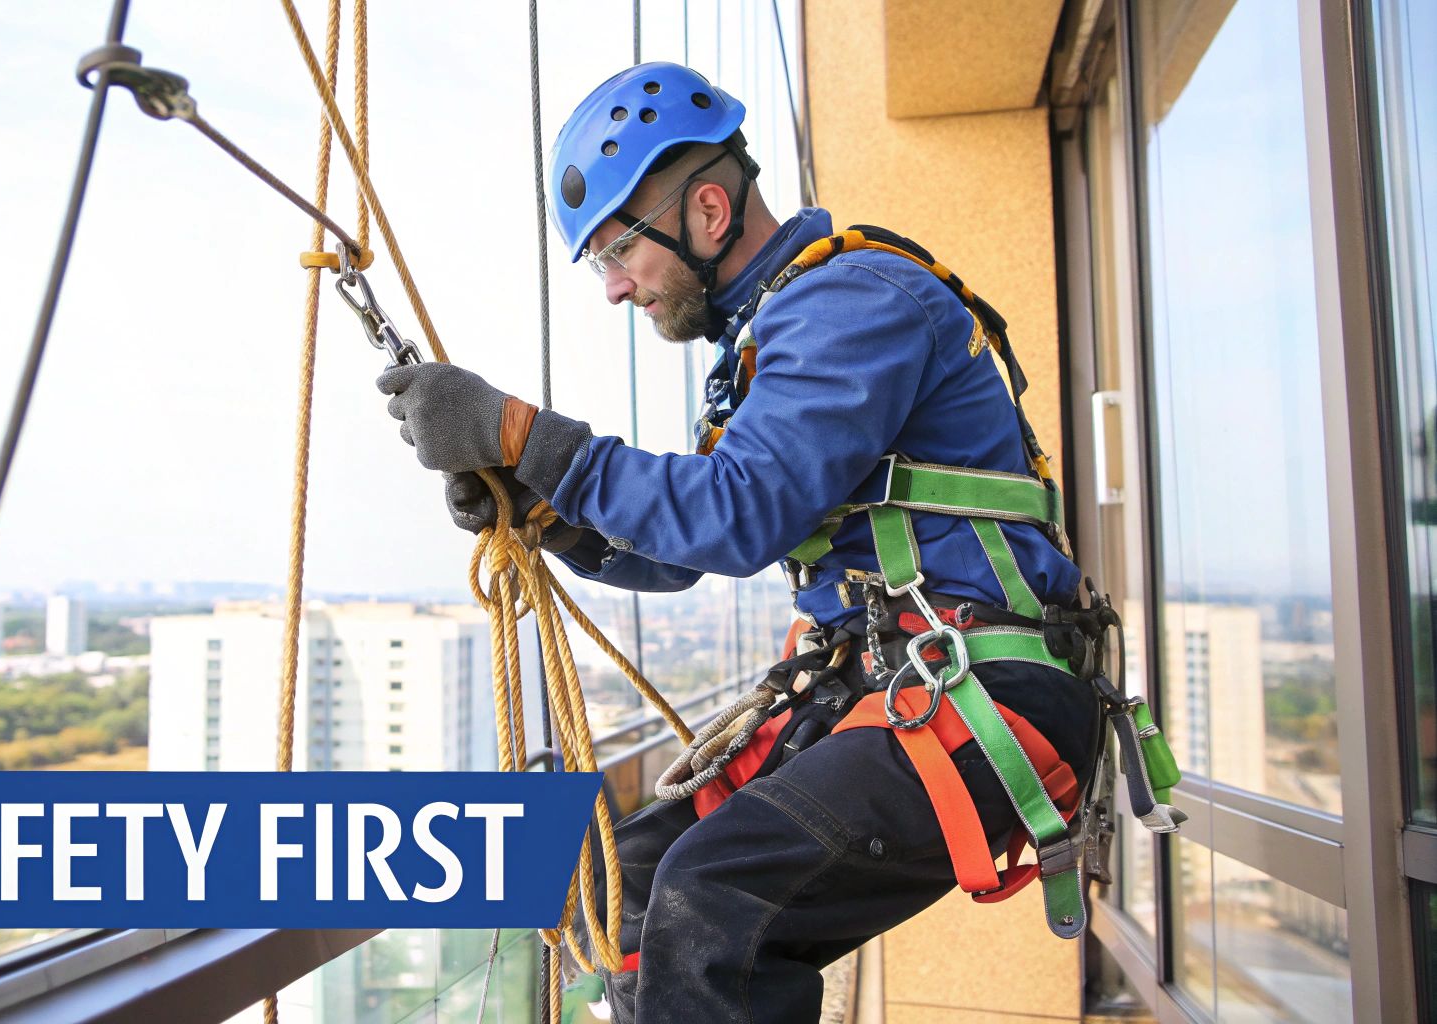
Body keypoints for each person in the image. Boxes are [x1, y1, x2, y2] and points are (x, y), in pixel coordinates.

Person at [376, 62, 1102, 1024]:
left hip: (985, 688)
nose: (613, 289)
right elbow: (682, 550)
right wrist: (546, 512)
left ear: (708, 211)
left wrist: (524, 438)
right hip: (897, 689)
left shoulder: (852, 304)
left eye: (615, 254)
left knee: (709, 895)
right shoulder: (774, 336)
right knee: (631, 884)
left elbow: (734, 511)